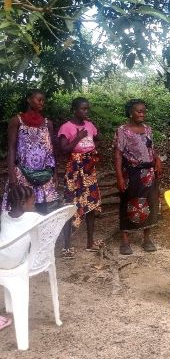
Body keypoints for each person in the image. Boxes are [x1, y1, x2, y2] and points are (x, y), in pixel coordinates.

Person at [114, 99, 162, 255]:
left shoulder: (147, 129)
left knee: (150, 203)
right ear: (130, 112)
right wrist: (120, 177)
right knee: (128, 203)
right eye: (138, 111)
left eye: (144, 111)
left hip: (149, 174)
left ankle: (147, 238)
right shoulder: (122, 130)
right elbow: (118, 155)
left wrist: (158, 159)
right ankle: (125, 240)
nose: (142, 114)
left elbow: (151, 149)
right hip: (131, 173)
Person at [2, 90, 58, 215]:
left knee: (42, 212)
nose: (42, 103)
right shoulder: (17, 121)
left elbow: (51, 151)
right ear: (29, 100)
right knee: (22, 210)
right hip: (23, 174)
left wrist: (54, 173)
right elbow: (11, 148)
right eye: (39, 100)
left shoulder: (48, 124)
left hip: (43, 176)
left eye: (43, 100)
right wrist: (11, 175)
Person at [58, 97, 102, 258]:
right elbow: (63, 150)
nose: (86, 111)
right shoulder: (66, 127)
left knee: (91, 204)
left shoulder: (89, 125)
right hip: (74, 171)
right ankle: (67, 246)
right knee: (71, 205)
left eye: (87, 109)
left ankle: (90, 242)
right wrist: (78, 137)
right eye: (83, 109)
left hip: (89, 169)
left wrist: (91, 137)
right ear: (75, 110)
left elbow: (97, 138)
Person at [0, 185, 43, 330]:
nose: (35, 204)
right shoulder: (34, 217)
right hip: (14, 262)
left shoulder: (4, 215)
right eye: (33, 201)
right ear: (23, 203)